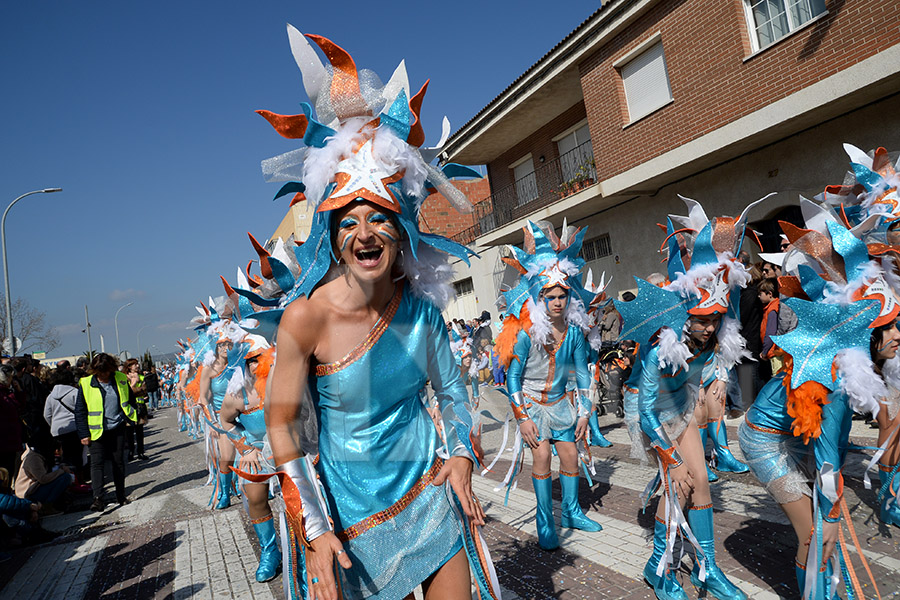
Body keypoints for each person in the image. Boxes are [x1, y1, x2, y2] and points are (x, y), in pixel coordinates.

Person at [261, 26, 498, 600]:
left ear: (403, 228)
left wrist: (462, 454)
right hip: (347, 519)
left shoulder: (423, 315)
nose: (365, 234)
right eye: (349, 220)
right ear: (331, 233)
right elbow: (281, 425)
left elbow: (454, 395)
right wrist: (314, 531)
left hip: (428, 495)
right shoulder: (305, 320)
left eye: (380, 218)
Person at [739, 215, 892, 598]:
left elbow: (833, 447)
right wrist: (834, 513)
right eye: (885, 328)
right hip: (762, 440)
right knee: (815, 531)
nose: (897, 335)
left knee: (823, 525)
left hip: (794, 434)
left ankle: (825, 589)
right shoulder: (835, 378)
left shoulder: (846, 364)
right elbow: (827, 462)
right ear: (864, 335)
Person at [616, 200, 759, 600]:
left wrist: (715, 383)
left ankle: (708, 569)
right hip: (653, 418)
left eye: (715, 318)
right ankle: (659, 568)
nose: (710, 326)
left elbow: (708, 370)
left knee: (702, 490)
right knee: (678, 485)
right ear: (685, 316)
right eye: (702, 319)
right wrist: (671, 459)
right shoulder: (661, 347)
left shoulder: (713, 336)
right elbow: (645, 411)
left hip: (682, 410)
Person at [495, 220, 604, 550]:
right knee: (541, 458)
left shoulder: (573, 332)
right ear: (539, 297)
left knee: (570, 457)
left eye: (562, 295)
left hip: (560, 405)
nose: (557, 302)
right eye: (550, 296)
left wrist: (585, 412)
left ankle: (570, 512)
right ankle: (545, 522)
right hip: (531, 404)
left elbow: (583, 373)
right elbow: (513, 377)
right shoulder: (526, 334)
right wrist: (522, 417)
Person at [220, 343, 282, 583]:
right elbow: (226, 421)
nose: (256, 365)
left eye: (259, 357)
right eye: (250, 361)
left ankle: (301, 550)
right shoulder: (238, 393)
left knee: (295, 502)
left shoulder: (283, 379)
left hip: (288, 448)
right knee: (255, 497)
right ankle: (270, 552)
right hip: (256, 451)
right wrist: (245, 449)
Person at [75, 352, 137, 511]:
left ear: (111, 369)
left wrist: (130, 418)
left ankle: (121, 496)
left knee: (118, 463)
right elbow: (80, 410)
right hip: (96, 432)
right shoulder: (86, 383)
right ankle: (97, 499)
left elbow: (130, 400)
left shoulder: (121, 379)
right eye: (99, 373)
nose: (102, 376)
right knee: (97, 464)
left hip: (117, 428)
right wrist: (83, 434)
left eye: (105, 372)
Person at [43, 369, 87, 482]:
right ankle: (79, 481)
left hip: (57, 431)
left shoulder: (50, 396)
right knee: (77, 457)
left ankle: (67, 482)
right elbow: (83, 410)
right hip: (74, 429)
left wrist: (53, 426)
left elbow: (47, 415)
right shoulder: (75, 393)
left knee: (63, 459)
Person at [14, 442, 73, 509]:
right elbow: (43, 478)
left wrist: (61, 467)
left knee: (64, 477)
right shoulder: (33, 458)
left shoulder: (42, 456)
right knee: (65, 478)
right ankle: (47, 507)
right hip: (28, 493)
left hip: (36, 487)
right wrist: (61, 471)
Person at [123, 358, 148, 461]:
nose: (137, 366)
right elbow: (124, 393)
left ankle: (140, 452)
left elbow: (144, 391)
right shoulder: (124, 378)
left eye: (137, 364)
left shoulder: (142, 377)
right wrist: (133, 384)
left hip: (140, 407)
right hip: (129, 408)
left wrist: (134, 390)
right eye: (135, 365)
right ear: (129, 367)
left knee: (140, 432)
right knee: (129, 432)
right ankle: (131, 452)